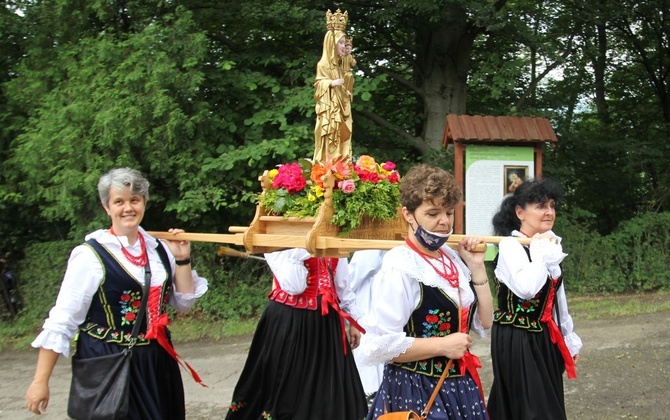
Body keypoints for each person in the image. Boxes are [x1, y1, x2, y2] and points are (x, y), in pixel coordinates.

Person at [24, 167, 208, 419]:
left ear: (144, 203)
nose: (128, 208)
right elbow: (63, 320)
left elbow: (183, 303)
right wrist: (39, 381)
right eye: (119, 201)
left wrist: (183, 260)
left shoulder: (159, 249)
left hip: (156, 361)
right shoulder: (90, 256)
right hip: (109, 360)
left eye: (134, 200)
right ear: (106, 207)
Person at [358, 164, 493, 419]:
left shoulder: (451, 258)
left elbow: (484, 323)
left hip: (460, 387)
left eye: (449, 213)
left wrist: (476, 268)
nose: (444, 222)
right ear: (408, 214)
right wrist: (442, 345)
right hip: (415, 389)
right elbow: (378, 346)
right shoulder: (401, 264)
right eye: (433, 213)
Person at [225, 248, 368, 420]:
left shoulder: (331, 235)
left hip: (325, 325)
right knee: (287, 391)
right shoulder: (277, 240)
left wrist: (353, 321)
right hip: (290, 323)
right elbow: (295, 286)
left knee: (328, 391)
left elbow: (341, 284)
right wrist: (303, 248)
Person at [487, 178, 582, 420]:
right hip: (517, 336)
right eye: (540, 206)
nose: (549, 212)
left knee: (545, 402)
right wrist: (542, 254)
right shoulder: (511, 245)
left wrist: (568, 338)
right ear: (520, 212)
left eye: (551, 205)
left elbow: (557, 298)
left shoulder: (548, 245)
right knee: (532, 409)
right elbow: (527, 288)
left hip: (543, 336)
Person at [314, 9, 353, 163]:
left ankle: (341, 161)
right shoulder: (323, 64)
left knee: (341, 133)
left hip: (339, 106)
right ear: (331, 43)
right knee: (330, 132)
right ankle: (327, 162)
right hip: (329, 109)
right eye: (341, 43)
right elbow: (318, 84)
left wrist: (346, 92)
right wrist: (330, 83)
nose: (343, 46)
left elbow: (345, 82)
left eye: (344, 42)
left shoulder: (339, 66)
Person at [349, 250, 386, 399]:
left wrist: (339, 288)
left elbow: (364, 265)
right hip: (376, 291)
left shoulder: (376, 232)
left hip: (373, 294)